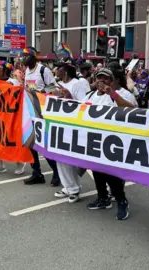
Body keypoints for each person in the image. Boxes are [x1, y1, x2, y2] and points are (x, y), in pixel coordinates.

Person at [81, 68, 136, 220]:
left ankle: (121, 200)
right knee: (97, 171)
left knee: (113, 174)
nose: (102, 81)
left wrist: (112, 94)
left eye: (105, 78)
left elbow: (133, 111)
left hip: (115, 141)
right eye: (99, 78)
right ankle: (103, 197)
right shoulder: (91, 95)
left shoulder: (122, 93)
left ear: (112, 81)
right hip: (95, 140)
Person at [50, 61, 89, 202]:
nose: (54, 70)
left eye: (57, 67)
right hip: (58, 124)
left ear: (64, 70)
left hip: (72, 126)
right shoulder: (57, 83)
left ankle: (74, 188)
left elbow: (84, 105)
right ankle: (67, 186)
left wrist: (69, 97)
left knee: (68, 158)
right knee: (59, 158)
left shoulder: (76, 84)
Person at [22, 47, 60, 186]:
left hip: (43, 113)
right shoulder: (26, 71)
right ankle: (36, 173)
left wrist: (40, 92)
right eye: (22, 56)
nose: (23, 58)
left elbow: (54, 88)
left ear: (33, 57)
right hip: (30, 112)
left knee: (44, 144)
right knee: (31, 143)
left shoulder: (43, 70)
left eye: (26, 56)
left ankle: (57, 173)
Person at [0, 60, 26, 175]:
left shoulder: (13, 82)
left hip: (12, 116)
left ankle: (20, 163)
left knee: (13, 140)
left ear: (5, 70)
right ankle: (0, 164)